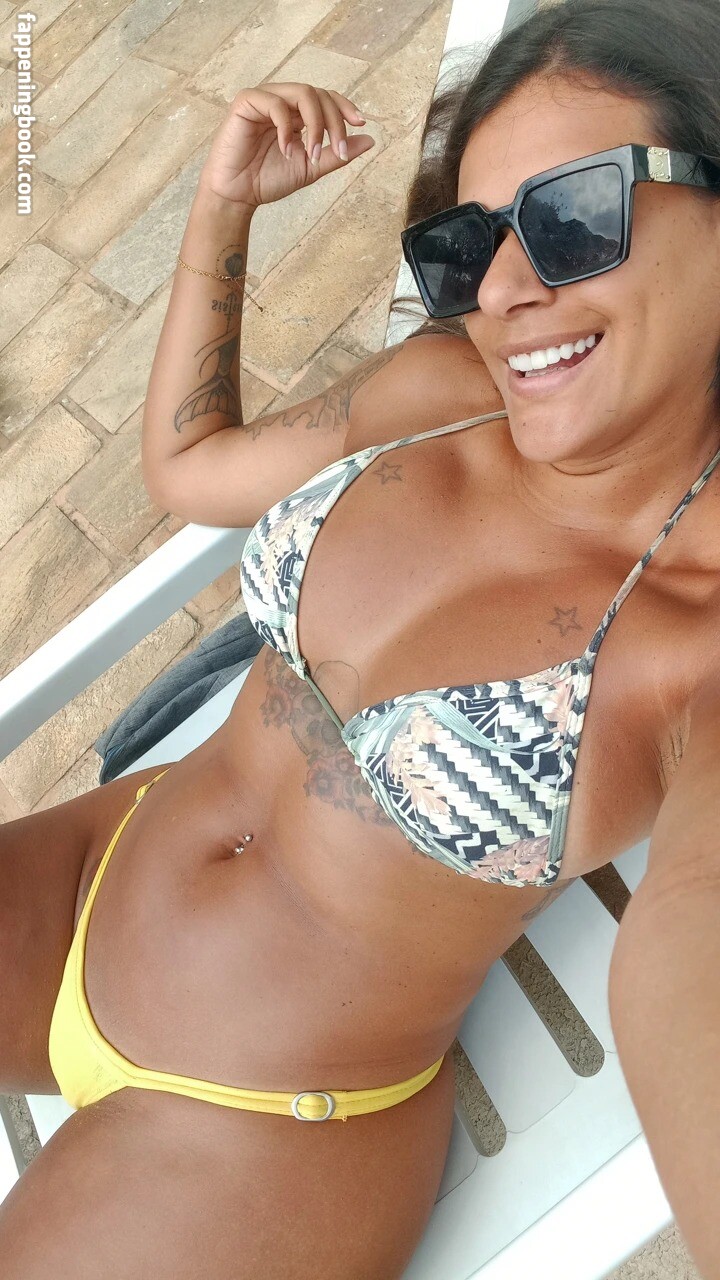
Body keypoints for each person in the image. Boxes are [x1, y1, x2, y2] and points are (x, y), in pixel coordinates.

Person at [2, 0, 720, 1274]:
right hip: (86, 877)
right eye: (468, 243)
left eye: (573, 216)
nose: (505, 290)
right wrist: (223, 206)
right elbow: (192, 466)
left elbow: (694, 952)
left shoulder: (696, 637)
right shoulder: (444, 394)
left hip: (261, 1127)